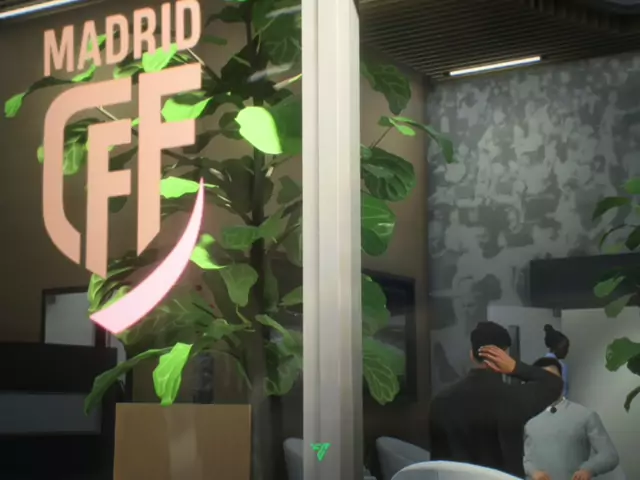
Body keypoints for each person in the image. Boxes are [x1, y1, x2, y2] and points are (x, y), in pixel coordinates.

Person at [428, 321, 563, 478]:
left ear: (472, 354)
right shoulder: (513, 398)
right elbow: (554, 383)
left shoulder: (440, 401)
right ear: (504, 356)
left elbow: (436, 465)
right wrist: (515, 367)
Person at [523, 357, 619, 480]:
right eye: (544, 379)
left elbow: (609, 454)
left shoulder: (585, 415)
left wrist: (589, 469)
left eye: (554, 378)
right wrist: (533, 472)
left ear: (562, 381)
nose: (549, 384)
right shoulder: (527, 419)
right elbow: (523, 458)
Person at [543, 324, 570, 397]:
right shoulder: (561, 366)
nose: (567, 351)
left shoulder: (541, 363)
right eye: (565, 348)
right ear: (557, 347)